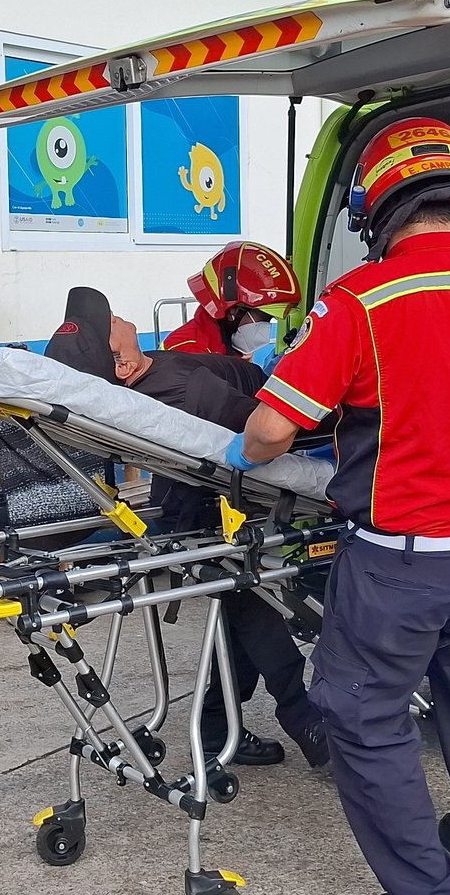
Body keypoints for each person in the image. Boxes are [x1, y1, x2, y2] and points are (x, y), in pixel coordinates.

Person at [223, 117, 450, 895]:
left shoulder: (361, 302)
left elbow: (270, 431)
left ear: (376, 206)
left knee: (362, 713)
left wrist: (246, 449)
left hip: (401, 563)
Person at [100, 311, 326, 770]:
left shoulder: (164, 366)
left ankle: (221, 728)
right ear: (121, 364)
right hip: (216, 500)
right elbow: (270, 431)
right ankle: (304, 721)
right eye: (116, 322)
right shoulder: (177, 388)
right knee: (251, 603)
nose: (124, 318)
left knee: (245, 606)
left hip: (208, 497)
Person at [163, 241, 302, 359]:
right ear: (234, 310)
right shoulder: (189, 351)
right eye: (264, 318)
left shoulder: (226, 345)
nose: (266, 328)